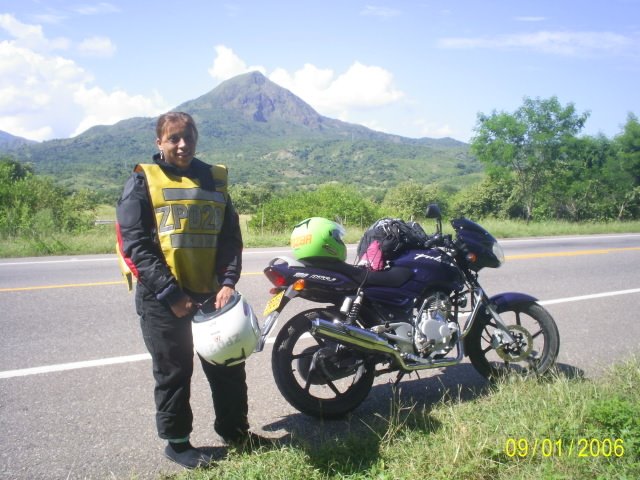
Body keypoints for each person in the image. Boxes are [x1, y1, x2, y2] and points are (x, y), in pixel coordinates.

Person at [116, 112, 250, 469]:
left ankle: (235, 431)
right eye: (173, 138)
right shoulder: (144, 181)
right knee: (174, 371)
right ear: (159, 142)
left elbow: (230, 238)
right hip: (163, 298)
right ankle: (177, 443)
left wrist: (227, 282)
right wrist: (172, 295)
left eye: (188, 137)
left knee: (228, 365)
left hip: (211, 294)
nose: (182, 145)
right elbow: (135, 245)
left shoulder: (215, 180)